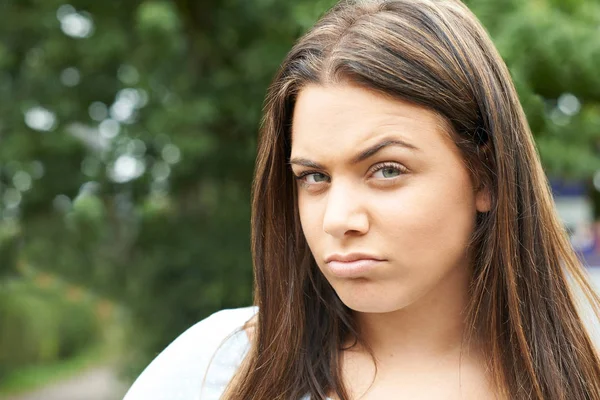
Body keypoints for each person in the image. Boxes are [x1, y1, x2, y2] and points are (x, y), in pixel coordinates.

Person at [123, 0, 600, 399]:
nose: (338, 219)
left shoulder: (585, 374)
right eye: (313, 176)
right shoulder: (216, 372)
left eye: (387, 170)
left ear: (486, 176)